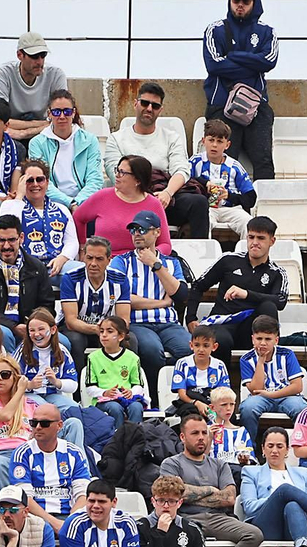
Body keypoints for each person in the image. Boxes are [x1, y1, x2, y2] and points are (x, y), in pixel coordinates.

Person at [108, 81, 210, 238]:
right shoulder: (116, 138)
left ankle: (198, 251)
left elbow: (181, 170)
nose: (149, 108)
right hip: (131, 198)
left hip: (165, 198)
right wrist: (143, 196)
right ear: (135, 104)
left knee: (199, 203)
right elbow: (114, 172)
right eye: (145, 103)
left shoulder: (171, 138)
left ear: (160, 110)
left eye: (155, 106)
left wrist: (167, 193)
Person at [160, 413, 263, 547]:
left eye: (204, 433)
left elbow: (229, 498)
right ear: (182, 437)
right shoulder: (171, 463)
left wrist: (187, 493)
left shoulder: (220, 465)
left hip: (218, 518)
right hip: (184, 518)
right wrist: (210, 490)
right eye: (195, 433)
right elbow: (172, 495)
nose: (201, 437)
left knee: (254, 535)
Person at [202, 0, 278, 179]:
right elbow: (214, 65)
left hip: (256, 106)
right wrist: (253, 65)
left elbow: (269, 61)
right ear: (230, 2)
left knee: (264, 161)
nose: (240, 5)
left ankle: (264, 198)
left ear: (254, 2)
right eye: (236, 0)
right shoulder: (215, 30)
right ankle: (223, 199)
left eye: (246, 1)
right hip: (221, 105)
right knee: (223, 161)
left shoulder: (267, 32)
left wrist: (233, 56)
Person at [186, 221, 289, 365]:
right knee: (221, 340)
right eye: (251, 237)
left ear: (272, 241)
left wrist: (246, 294)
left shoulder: (276, 272)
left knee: (269, 307)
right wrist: (190, 318)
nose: (255, 242)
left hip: (251, 330)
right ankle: (221, 379)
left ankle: (269, 370)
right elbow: (198, 286)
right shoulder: (229, 260)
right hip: (223, 325)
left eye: (261, 238)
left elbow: (281, 301)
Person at [112, 213, 194, 381]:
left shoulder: (171, 262)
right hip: (137, 323)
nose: (137, 234)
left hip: (168, 323)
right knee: (152, 351)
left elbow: (180, 295)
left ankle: (179, 391)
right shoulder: (121, 262)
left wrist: (155, 265)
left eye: (142, 229)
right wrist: (162, 302)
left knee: (189, 349)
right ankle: (154, 394)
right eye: (133, 230)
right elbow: (123, 299)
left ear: (157, 232)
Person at [0, 214, 55, 351]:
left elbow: (47, 305)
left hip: (31, 327)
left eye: (12, 240)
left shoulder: (37, 268)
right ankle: (10, 365)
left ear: (21, 238)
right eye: (1, 240)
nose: (6, 246)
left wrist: (33, 326)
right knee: (4, 334)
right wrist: (13, 327)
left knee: (64, 342)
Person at [243, 429, 307, 545]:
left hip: (297, 523)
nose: (274, 450)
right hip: (266, 527)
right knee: (284, 490)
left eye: (280, 446)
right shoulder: (251, 472)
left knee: (292, 505)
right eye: (270, 446)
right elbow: (249, 507)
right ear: (263, 449)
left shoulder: (303, 473)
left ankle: (302, 546)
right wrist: (277, 498)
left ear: (287, 450)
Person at [4, 400, 91, 529]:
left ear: (59, 425)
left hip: (69, 516)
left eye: (45, 423)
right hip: (34, 518)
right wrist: (54, 523)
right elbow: (25, 498)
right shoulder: (22, 453)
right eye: (34, 423)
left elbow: (83, 494)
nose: (38, 427)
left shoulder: (74, 453)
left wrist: (69, 523)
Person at [73, 155, 173, 257]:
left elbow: (165, 244)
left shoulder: (153, 204)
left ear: (138, 180)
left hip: (137, 262)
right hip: (103, 262)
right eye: (117, 170)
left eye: (122, 172)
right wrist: (82, 248)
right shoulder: (102, 196)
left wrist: (150, 255)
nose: (117, 175)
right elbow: (78, 218)